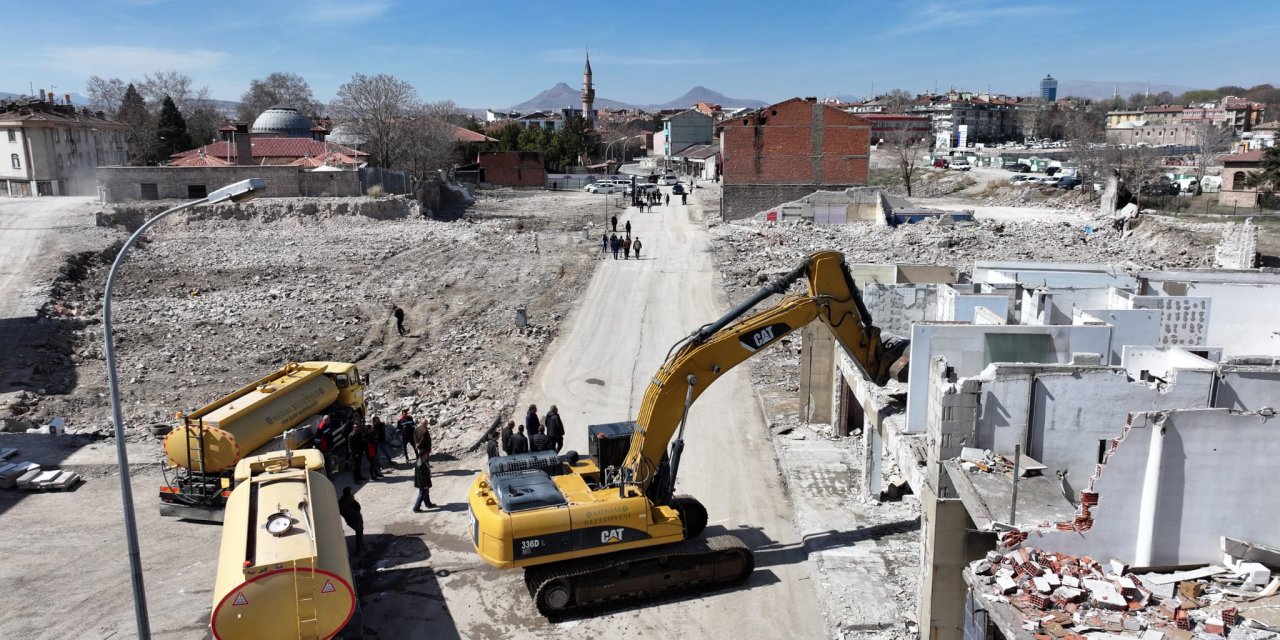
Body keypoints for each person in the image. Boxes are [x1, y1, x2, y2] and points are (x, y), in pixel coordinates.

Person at [338, 487, 364, 552]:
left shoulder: (341, 502)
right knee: (359, 533)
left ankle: (361, 546)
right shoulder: (351, 501)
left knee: (359, 533)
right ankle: (359, 549)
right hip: (356, 520)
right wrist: (353, 499)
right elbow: (358, 507)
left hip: (350, 521)